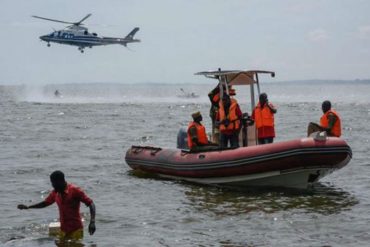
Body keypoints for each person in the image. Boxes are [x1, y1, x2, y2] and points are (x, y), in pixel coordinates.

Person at [17, 171, 96, 241]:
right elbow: (45, 203)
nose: (52, 185)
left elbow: (91, 204)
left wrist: (92, 222)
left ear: (61, 181)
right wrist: (28, 207)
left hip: (76, 230)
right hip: (63, 230)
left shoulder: (75, 190)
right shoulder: (55, 193)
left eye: (54, 183)